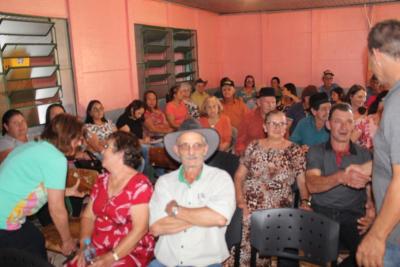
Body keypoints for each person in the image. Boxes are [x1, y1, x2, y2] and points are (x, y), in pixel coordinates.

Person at [148, 119, 236, 267]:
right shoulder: (164, 182)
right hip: (166, 261)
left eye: (197, 145)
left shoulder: (221, 179)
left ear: (205, 149)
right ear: (177, 150)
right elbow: (156, 228)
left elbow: (219, 218)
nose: (191, 152)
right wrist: (203, 218)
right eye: (184, 146)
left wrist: (176, 210)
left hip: (206, 262)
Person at [230, 110, 309, 266]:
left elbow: (302, 182)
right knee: (241, 236)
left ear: (286, 127)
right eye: (273, 123)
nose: (278, 127)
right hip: (249, 204)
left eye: (282, 124)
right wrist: (240, 203)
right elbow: (239, 176)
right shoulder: (253, 146)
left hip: (278, 208)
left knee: (268, 241)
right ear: (265, 127)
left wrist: (305, 202)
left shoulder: (294, 150)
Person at [0, 114, 84, 259]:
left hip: (7, 212)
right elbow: (57, 209)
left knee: (36, 241)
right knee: (30, 254)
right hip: (4, 220)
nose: (80, 143)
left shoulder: (36, 145)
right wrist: (67, 241)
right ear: (67, 137)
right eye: (78, 138)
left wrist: (67, 191)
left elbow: (32, 184)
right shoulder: (56, 159)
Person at [68, 131, 154, 267]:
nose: (102, 151)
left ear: (121, 154)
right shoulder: (102, 180)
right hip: (98, 244)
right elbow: (88, 216)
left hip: (129, 249)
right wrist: (84, 246)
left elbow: (140, 229)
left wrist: (111, 257)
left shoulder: (140, 185)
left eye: (107, 147)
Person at [306, 103, 374, 267]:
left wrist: (372, 211)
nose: (344, 127)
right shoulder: (316, 151)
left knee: (369, 254)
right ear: (329, 125)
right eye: (338, 121)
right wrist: (341, 177)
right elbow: (312, 185)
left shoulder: (364, 154)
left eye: (349, 122)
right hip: (322, 213)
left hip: (354, 215)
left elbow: (371, 188)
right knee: (321, 257)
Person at [356, 19, 400, 267]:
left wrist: (377, 235)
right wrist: (370, 169)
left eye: (370, 60)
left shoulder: (397, 102)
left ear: (376, 54)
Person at [235, 87, 276, 155]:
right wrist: (245, 154)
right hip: (251, 156)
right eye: (267, 102)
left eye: (273, 102)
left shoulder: (280, 120)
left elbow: (284, 142)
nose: (270, 105)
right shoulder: (248, 118)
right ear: (259, 102)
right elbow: (240, 142)